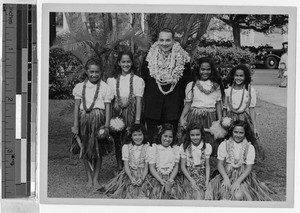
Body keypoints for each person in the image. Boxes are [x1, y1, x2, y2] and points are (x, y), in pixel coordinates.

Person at [141, 28, 192, 141]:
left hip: (173, 107)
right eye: (162, 40)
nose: (164, 44)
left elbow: (187, 83)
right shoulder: (149, 57)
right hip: (153, 106)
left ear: (173, 40)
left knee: (170, 140)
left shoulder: (183, 58)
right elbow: (144, 78)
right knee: (152, 140)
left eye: (168, 40)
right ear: (158, 40)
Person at [205, 120, 273, 201]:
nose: (238, 135)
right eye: (235, 132)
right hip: (226, 174)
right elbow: (220, 164)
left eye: (241, 133)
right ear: (231, 132)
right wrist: (226, 178)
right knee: (224, 194)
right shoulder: (224, 145)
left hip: (242, 176)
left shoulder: (249, 147)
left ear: (245, 133)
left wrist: (237, 182)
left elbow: (248, 168)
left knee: (238, 195)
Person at [72, 58, 113, 188]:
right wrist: (76, 125)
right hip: (84, 121)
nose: (94, 74)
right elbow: (76, 107)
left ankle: (96, 178)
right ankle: (89, 177)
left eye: (97, 72)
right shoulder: (80, 87)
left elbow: (108, 108)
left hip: (99, 120)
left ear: (101, 72)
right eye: (91, 71)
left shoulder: (106, 88)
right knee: (85, 149)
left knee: (98, 150)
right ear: (86, 71)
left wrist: (106, 126)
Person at [107, 51, 145, 171]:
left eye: (128, 61)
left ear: (132, 63)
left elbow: (138, 101)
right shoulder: (111, 80)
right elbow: (110, 100)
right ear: (119, 63)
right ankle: (119, 166)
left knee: (129, 139)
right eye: (123, 61)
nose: (126, 64)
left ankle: (131, 167)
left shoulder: (138, 80)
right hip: (117, 113)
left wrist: (137, 120)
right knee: (118, 139)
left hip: (131, 113)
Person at [179, 56, 224, 156]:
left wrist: (220, 120)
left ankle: (207, 159)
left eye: (208, 69)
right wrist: (182, 117)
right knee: (194, 137)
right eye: (203, 69)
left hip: (211, 116)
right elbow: (188, 103)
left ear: (212, 70)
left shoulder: (216, 85)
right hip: (195, 115)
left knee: (209, 141)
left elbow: (218, 104)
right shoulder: (192, 85)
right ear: (198, 70)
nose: (205, 72)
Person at [98, 124, 150, 199]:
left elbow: (146, 167)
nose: (137, 137)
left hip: (143, 174)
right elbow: (126, 165)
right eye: (135, 135)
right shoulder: (126, 147)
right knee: (128, 189)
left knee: (145, 190)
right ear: (131, 136)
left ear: (144, 135)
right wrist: (131, 177)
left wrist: (142, 179)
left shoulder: (147, 147)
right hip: (129, 172)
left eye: (140, 135)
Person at [223, 64, 264, 159]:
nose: (239, 78)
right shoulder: (228, 91)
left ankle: (243, 157)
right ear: (233, 76)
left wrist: (254, 127)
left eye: (241, 76)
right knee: (230, 138)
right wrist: (224, 121)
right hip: (230, 118)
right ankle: (231, 157)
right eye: (236, 75)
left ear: (245, 77)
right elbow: (225, 108)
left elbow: (252, 110)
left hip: (243, 118)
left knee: (244, 137)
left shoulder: (250, 91)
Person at [147, 124, 182, 199]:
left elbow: (176, 166)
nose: (167, 139)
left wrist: (171, 179)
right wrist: (160, 179)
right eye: (165, 136)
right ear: (160, 136)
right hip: (157, 176)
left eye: (170, 137)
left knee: (173, 194)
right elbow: (152, 167)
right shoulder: (154, 148)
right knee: (157, 194)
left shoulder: (174, 149)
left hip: (171, 176)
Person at [180, 123, 212, 200]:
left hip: (202, 173)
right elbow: (182, 166)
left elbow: (207, 165)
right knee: (192, 193)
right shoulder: (184, 147)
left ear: (202, 135)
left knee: (203, 194)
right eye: (192, 135)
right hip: (189, 174)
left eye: (197, 135)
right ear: (189, 135)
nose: (195, 137)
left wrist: (207, 180)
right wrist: (191, 180)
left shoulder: (206, 146)